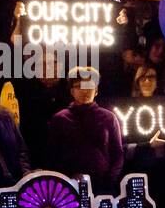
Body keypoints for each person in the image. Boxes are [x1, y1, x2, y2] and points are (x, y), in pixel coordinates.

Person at [47, 66, 124, 194]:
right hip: (69, 188)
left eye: (89, 85)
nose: (84, 90)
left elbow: (118, 153)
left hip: (104, 187)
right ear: (72, 91)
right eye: (79, 86)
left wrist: (110, 181)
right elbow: (53, 156)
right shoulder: (60, 119)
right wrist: (66, 180)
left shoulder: (109, 117)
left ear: (96, 90)